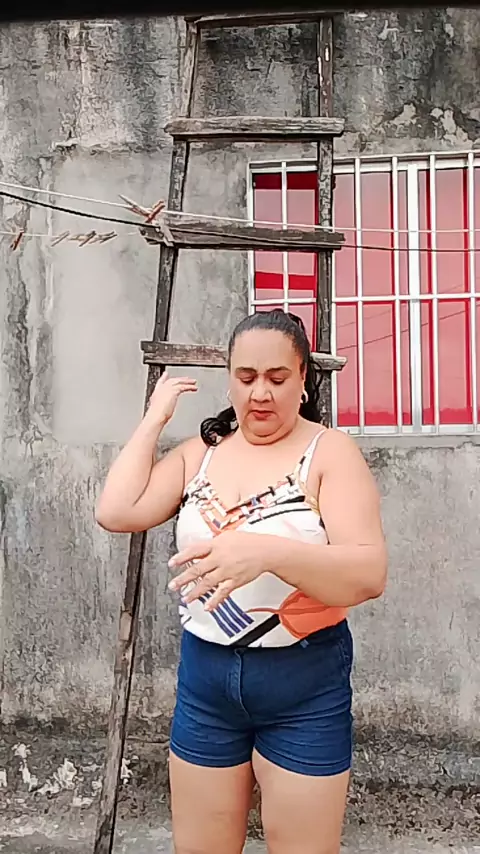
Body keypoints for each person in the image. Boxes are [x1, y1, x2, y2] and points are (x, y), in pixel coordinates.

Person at [96, 309, 387, 854]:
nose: (260, 393)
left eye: (277, 378)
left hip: (304, 682)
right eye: (246, 377)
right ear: (230, 379)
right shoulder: (201, 454)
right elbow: (116, 511)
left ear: (303, 379)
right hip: (205, 682)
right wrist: (154, 418)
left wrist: (268, 553)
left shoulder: (329, 453)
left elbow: (369, 574)